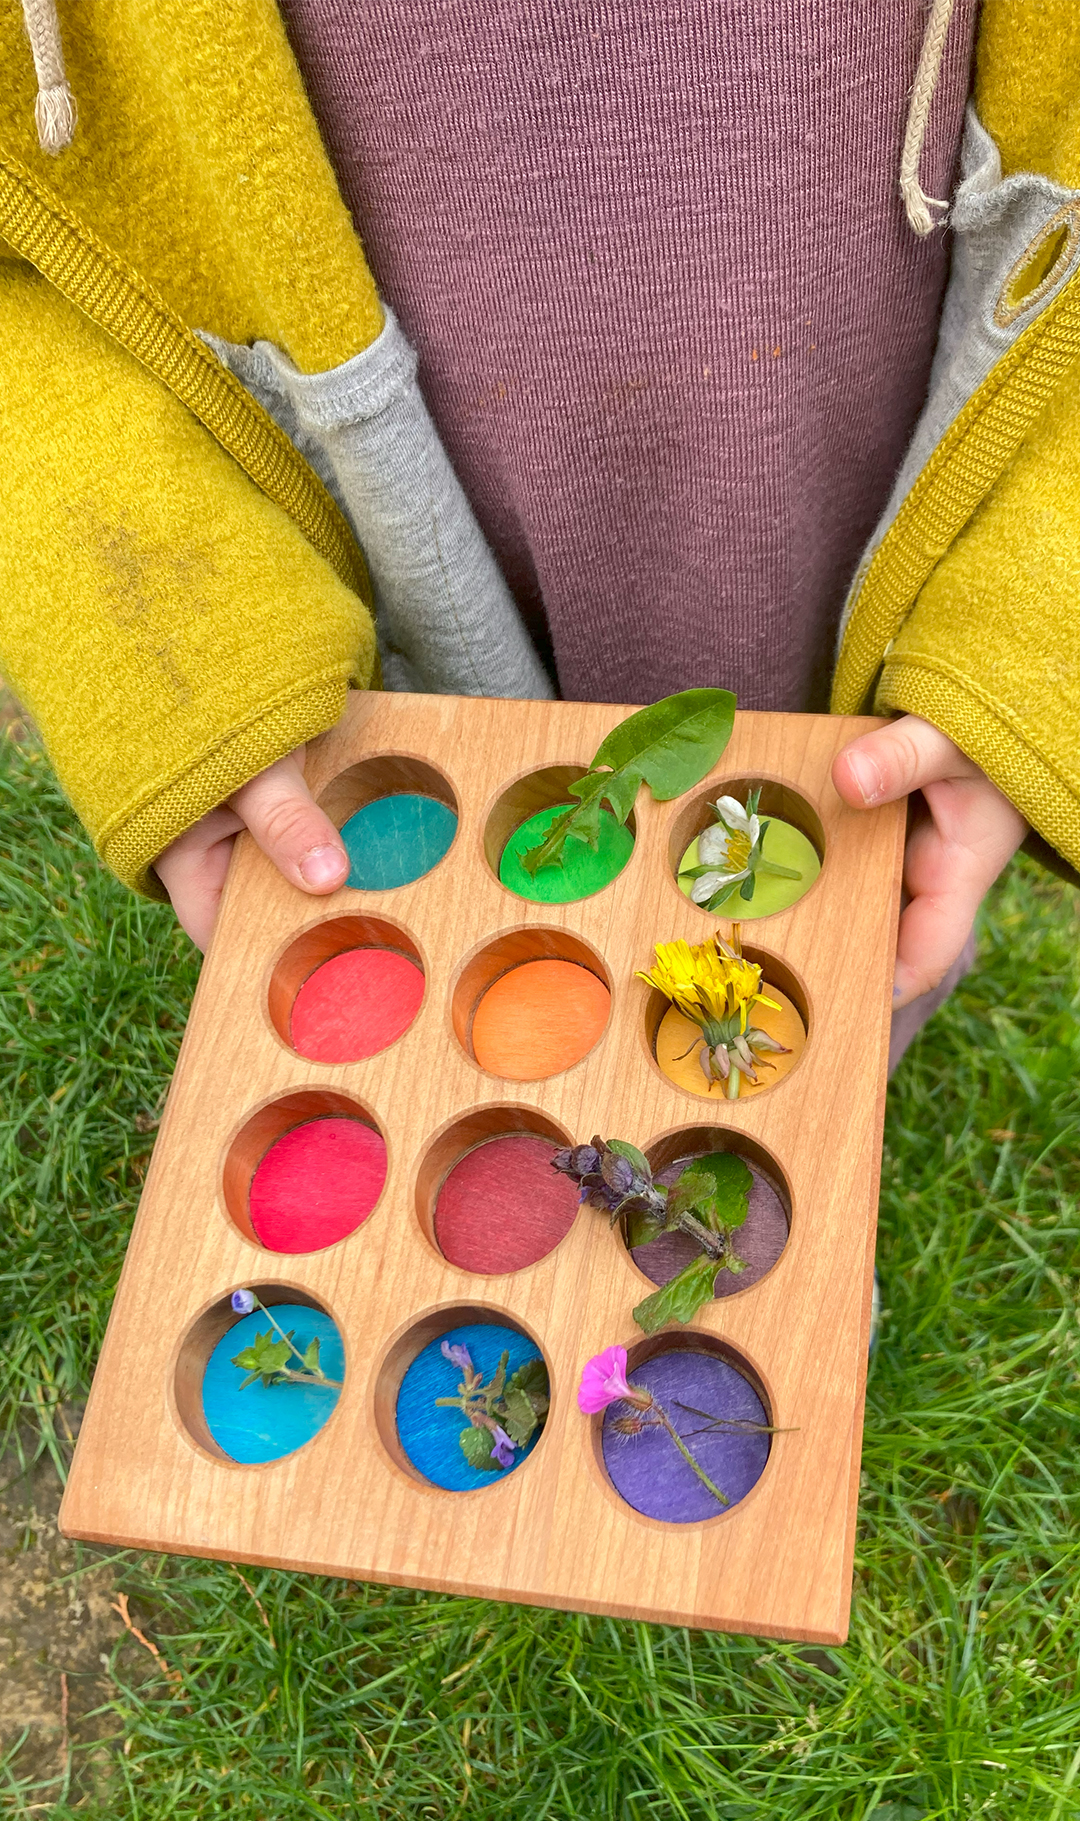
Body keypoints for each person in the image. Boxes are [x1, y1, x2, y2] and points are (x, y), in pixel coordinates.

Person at [1, 0, 1075, 1056]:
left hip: (827, 481)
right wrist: (187, 671)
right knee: (490, 990)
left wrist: (1017, 653)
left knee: (782, 932)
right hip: (362, 534)